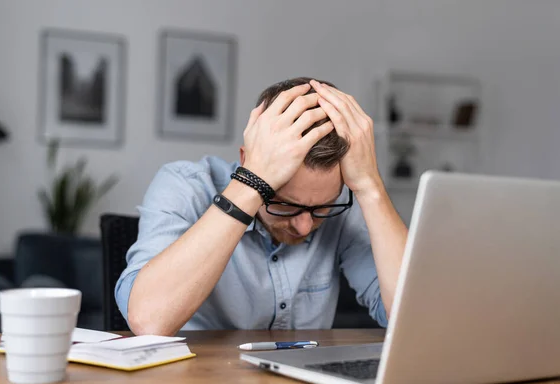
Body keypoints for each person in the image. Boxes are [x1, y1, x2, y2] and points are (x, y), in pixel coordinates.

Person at [115, 77, 408, 336]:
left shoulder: (341, 201)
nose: (305, 227)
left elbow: (410, 319)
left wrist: (371, 188)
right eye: (286, 205)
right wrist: (252, 183)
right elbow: (148, 320)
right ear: (247, 160)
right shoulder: (184, 185)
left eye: (321, 208)